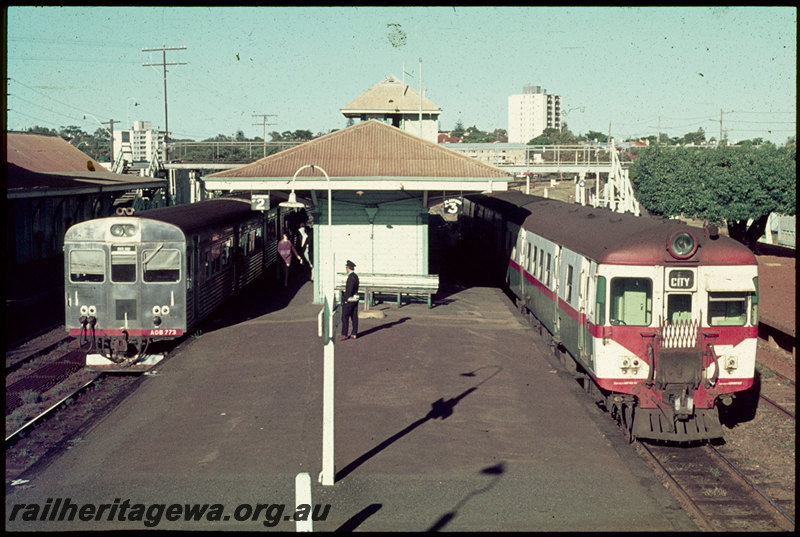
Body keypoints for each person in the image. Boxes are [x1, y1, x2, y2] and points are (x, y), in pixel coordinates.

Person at [341, 260, 360, 341]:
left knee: (345, 317)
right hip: (355, 299)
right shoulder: (355, 276)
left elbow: (349, 290)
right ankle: (354, 333)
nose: (346, 269)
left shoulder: (350, 278)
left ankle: (345, 334)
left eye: (346, 267)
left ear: (349, 268)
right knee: (354, 317)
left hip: (349, 300)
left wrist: (345, 299)